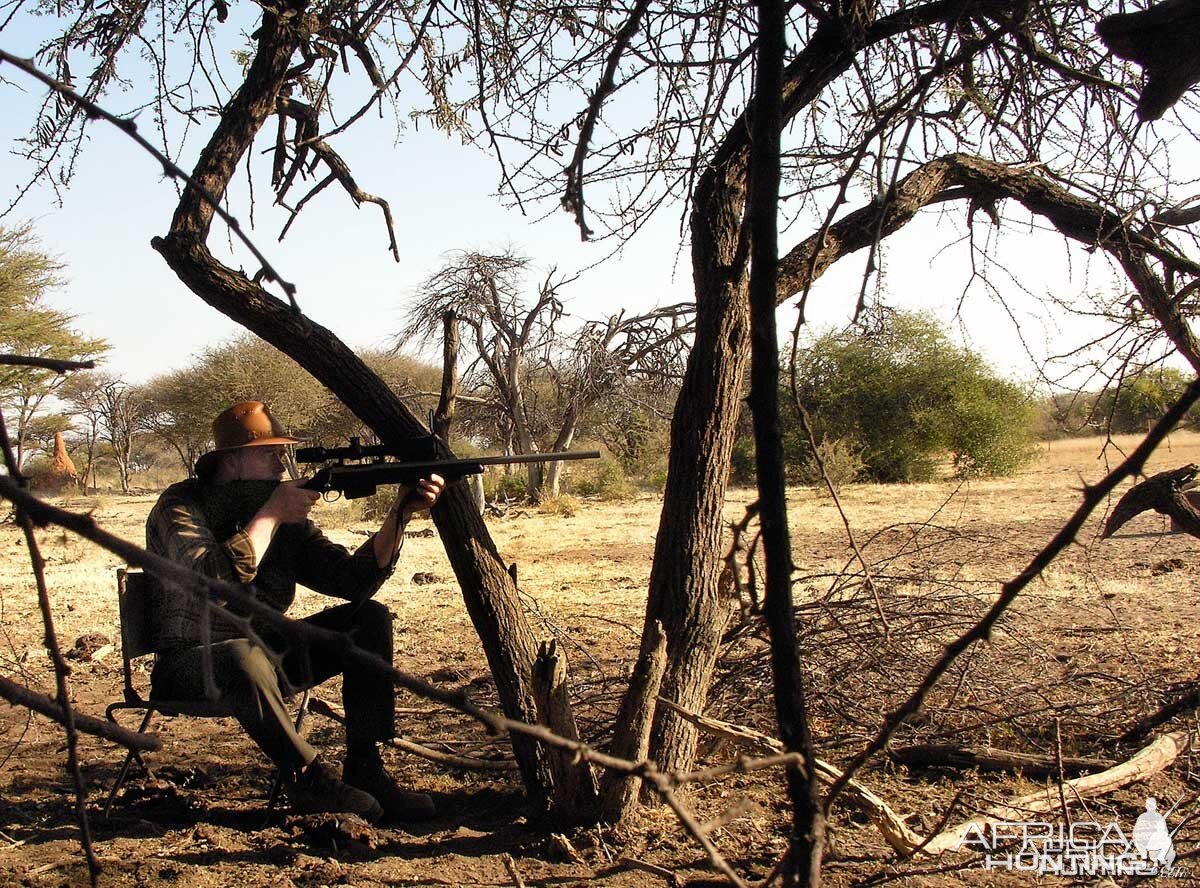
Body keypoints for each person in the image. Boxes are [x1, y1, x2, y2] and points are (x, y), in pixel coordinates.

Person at [145, 401, 444, 823]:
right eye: (269, 454)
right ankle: (308, 777)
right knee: (239, 655)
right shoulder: (180, 507)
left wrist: (400, 512)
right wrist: (270, 516)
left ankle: (366, 766)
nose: (282, 465)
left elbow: (351, 580)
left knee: (368, 619)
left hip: (264, 655)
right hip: (190, 663)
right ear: (231, 461)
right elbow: (211, 584)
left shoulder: (279, 511)